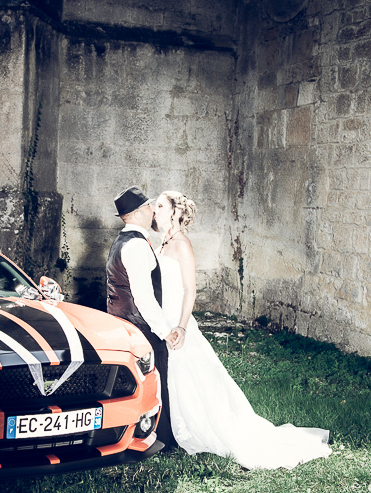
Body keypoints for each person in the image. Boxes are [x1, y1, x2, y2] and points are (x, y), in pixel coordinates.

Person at [152, 191, 332, 469]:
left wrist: (182, 326)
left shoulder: (182, 245)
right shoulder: (162, 242)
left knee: (192, 373)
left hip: (178, 319)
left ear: (175, 211)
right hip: (163, 318)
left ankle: (204, 429)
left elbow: (190, 291)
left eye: (161, 205)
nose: (155, 209)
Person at [106, 186, 184, 449]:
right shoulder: (137, 246)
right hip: (141, 327)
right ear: (138, 213)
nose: (153, 210)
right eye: (150, 206)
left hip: (122, 323)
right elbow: (143, 297)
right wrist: (164, 331)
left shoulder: (122, 241)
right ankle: (160, 440)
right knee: (155, 381)